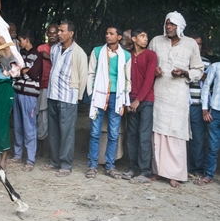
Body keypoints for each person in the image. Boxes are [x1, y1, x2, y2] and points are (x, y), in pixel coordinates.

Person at [148, 11, 204, 188]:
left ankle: (175, 174)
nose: (169, 27)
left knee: (176, 134)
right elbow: (147, 63)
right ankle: (157, 171)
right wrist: (153, 71)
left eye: (172, 24)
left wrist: (185, 72)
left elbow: (199, 69)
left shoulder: (190, 45)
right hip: (159, 93)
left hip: (178, 96)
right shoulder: (156, 41)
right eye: (167, 23)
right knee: (157, 132)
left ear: (180, 26)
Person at [40, 21, 88, 177]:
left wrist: (78, 97)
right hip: (53, 95)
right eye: (58, 31)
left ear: (71, 33)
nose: (58, 33)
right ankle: (54, 161)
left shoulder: (78, 52)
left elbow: (83, 76)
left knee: (66, 132)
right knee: (53, 131)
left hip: (68, 97)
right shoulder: (54, 49)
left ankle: (66, 165)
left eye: (62, 31)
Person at [86, 26, 131, 179]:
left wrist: (125, 98)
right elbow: (91, 73)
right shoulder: (97, 51)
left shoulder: (125, 56)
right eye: (106, 33)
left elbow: (127, 79)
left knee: (113, 133)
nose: (108, 36)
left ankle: (110, 166)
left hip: (116, 97)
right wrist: (91, 93)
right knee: (95, 132)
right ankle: (92, 165)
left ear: (119, 37)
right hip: (99, 95)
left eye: (111, 34)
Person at [122, 29, 157, 184]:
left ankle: (145, 172)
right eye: (142, 36)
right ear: (134, 39)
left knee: (144, 136)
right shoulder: (127, 55)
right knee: (131, 136)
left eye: (146, 36)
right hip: (131, 101)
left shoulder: (151, 55)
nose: (146, 39)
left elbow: (149, 79)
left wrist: (138, 100)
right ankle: (132, 167)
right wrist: (128, 100)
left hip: (146, 101)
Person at [8, 29, 43, 172]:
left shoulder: (37, 55)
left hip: (30, 95)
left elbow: (34, 74)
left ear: (27, 40)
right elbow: (14, 73)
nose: (19, 42)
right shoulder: (21, 54)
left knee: (29, 127)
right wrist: (22, 71)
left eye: (21, 40)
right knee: (18, 125)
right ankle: (17, 155)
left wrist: (21, 71)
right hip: (18, 92)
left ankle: (30, 160)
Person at [187, 34, 211, 179]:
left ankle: (195, 168)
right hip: (182, 103)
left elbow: (212, 85)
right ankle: (180, 167)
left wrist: (205, 78)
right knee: (179, 137)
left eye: (200, 44)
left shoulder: (207, 63)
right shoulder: (183, 60)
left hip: (199, 106)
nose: (197, 46)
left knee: (198, 138)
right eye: (194, 43)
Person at [36, 23, 58, 157]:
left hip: (56, 88)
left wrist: (48, 57)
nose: (52, 36)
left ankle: (53, 150)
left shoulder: (61, 49)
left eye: (55, 33)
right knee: (41, 117)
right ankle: (40, 148)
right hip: (42, 86)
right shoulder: (40, 48)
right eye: (50, 33)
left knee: (54, 118)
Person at [196, 62, 220, 185]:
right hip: (215, 111)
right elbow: (206, 86)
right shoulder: (216, 66)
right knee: (212, 146)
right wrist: (204, 109)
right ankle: (209, 175)